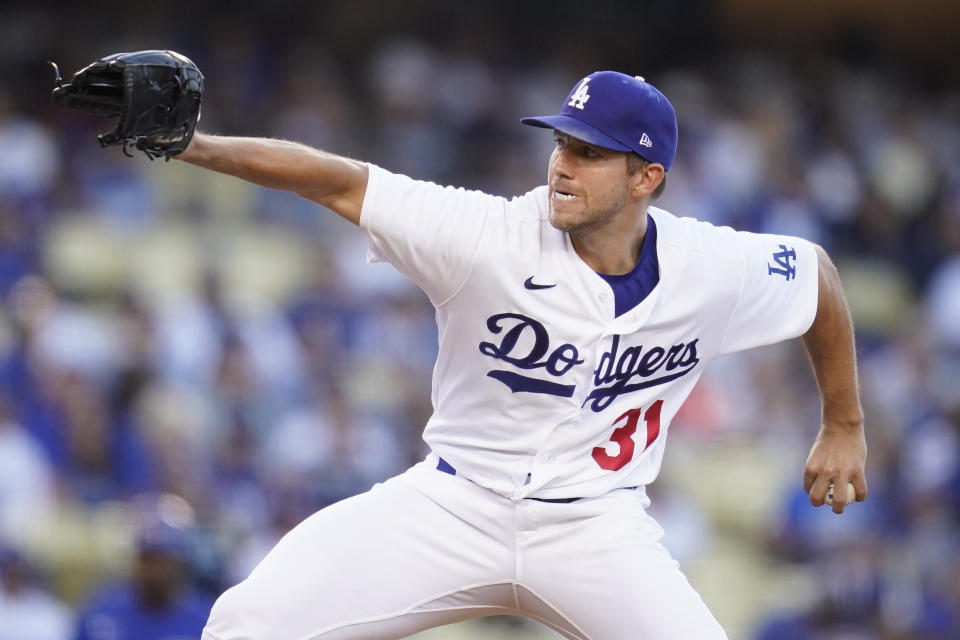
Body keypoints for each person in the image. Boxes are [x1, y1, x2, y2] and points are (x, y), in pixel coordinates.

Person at [173, 70, 865, 639]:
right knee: (248, 623)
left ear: (646, 177)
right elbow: (339, 180)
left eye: (590, 153)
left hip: (596, 526)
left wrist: (844, 423)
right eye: (561, 144)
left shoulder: (708, 266)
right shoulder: (488, 236)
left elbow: (818, 278)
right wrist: (191, 144)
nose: (563, 166)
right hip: (454, 502)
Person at [73, 496, 213, 640]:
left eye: (160, 560)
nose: (152, 570)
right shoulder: (101, 613)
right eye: (146, 560)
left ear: (178, 561)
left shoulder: (204, 619)